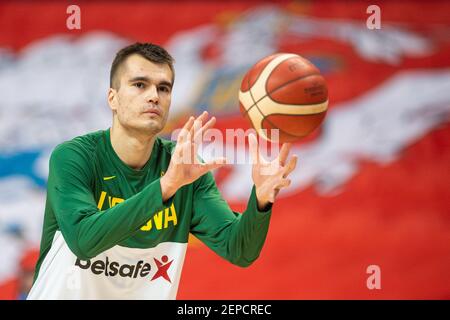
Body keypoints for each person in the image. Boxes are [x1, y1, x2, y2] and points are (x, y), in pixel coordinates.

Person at [27, 42, 297, 299]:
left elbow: (239, 250)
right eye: (140, 85)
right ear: (113, 98)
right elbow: (83, 241)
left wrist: (260, 200)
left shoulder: (184, 168)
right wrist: (166, 187)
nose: (154, 96)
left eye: (164, 88)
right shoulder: (74, 157)